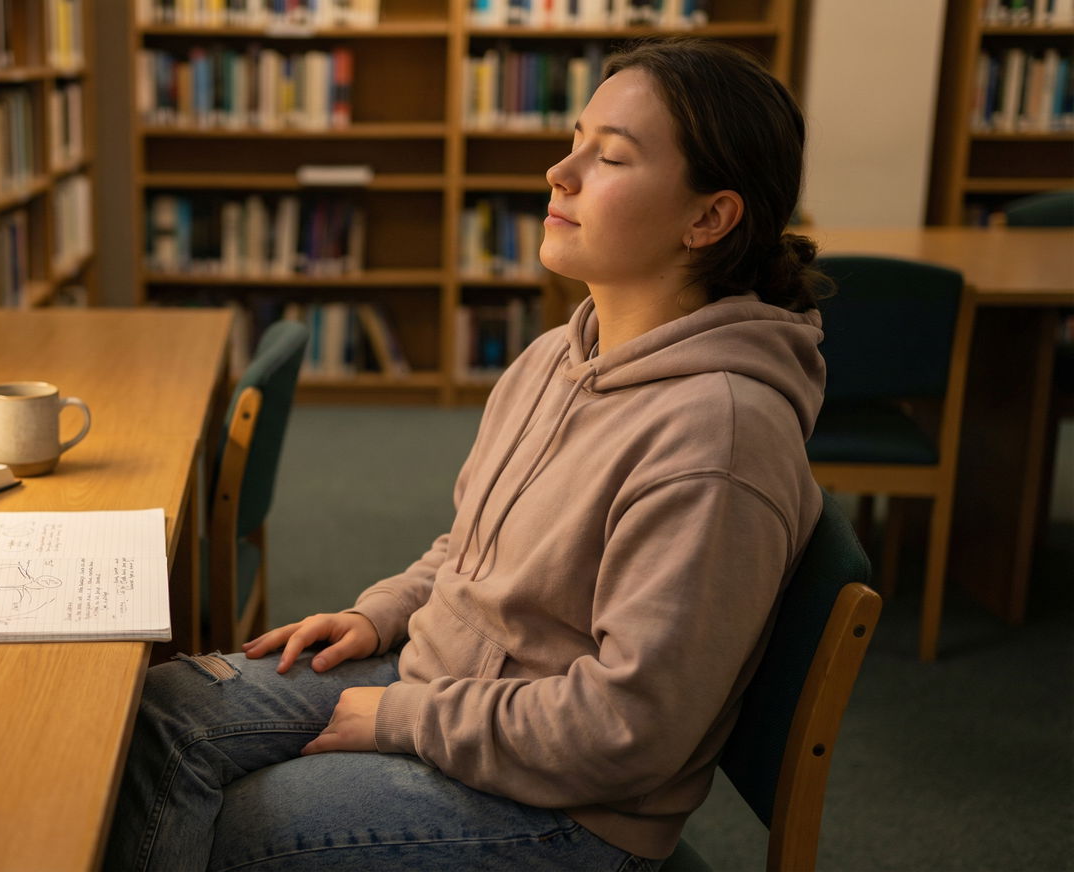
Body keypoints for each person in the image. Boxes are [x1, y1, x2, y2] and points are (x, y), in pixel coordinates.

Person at [104, 36, 830, 872]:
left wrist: (400, 720)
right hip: (446, 683)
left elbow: (632, 731)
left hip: (571, 810)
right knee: (159, 711)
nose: (561, 173)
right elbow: (471, 549)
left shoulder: (719, 438)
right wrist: (381, 611)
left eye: (612, 157)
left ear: (708, 218)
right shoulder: (559, 356)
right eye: (575, 141)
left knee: (238, 831)